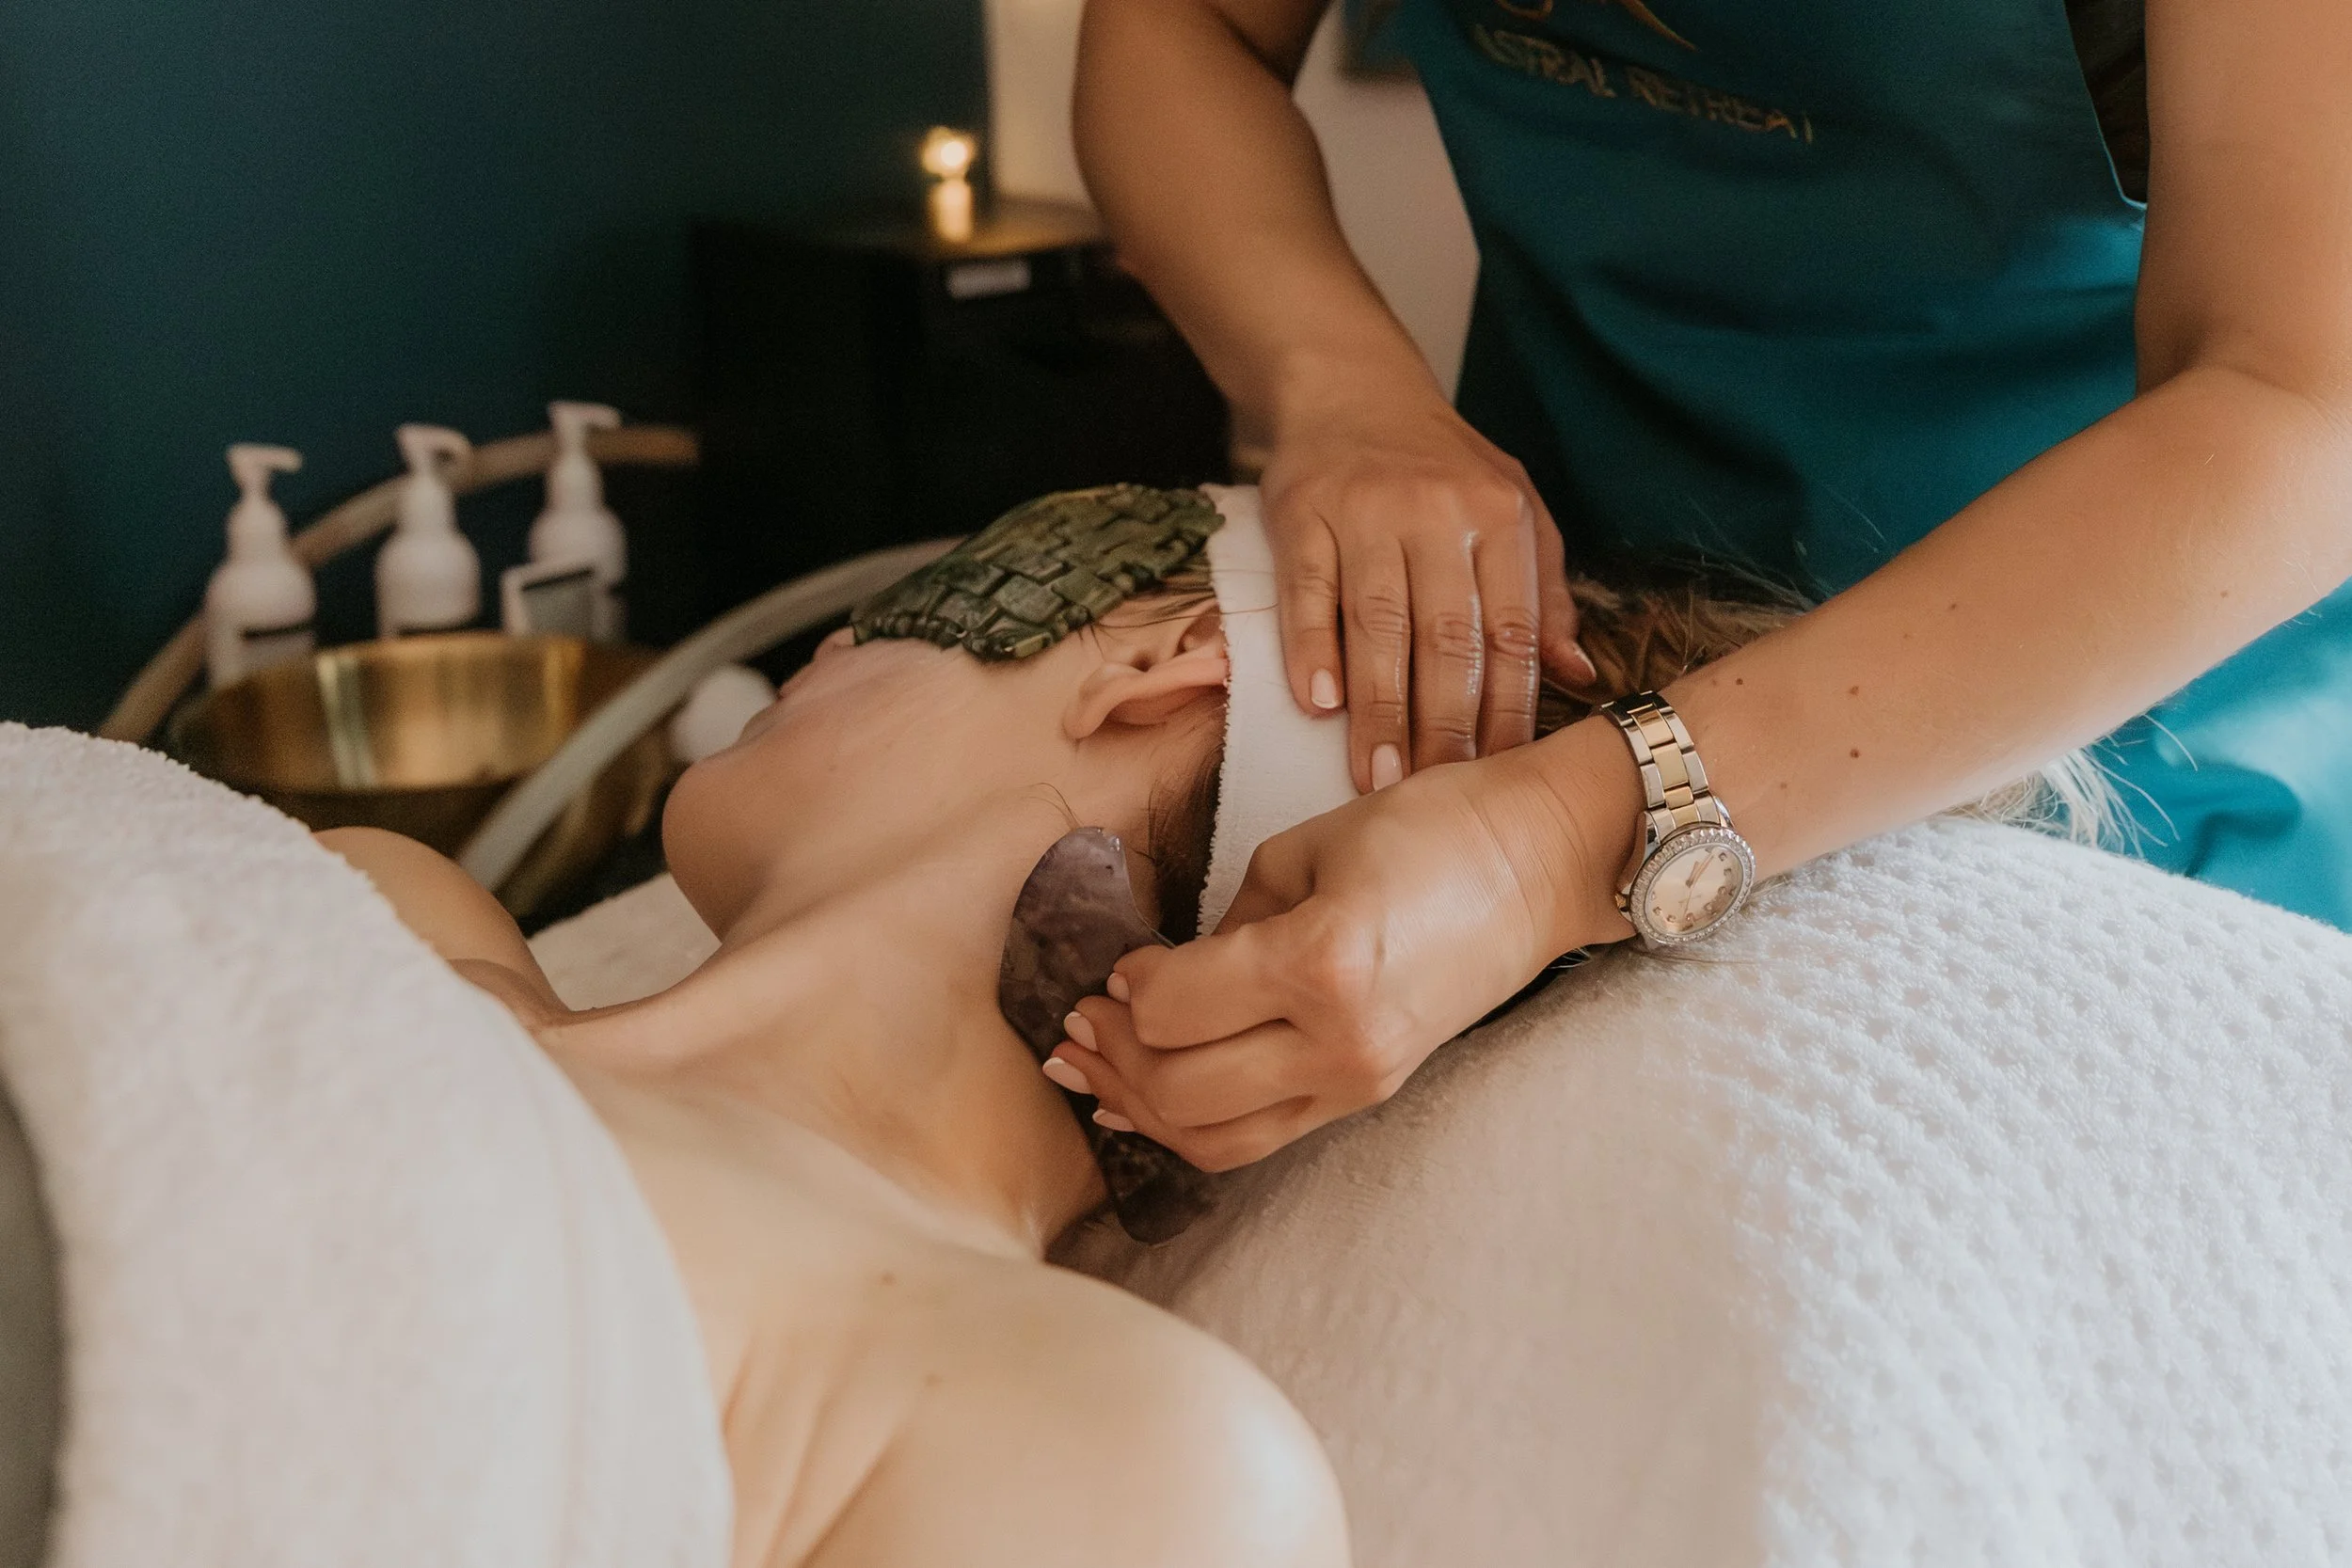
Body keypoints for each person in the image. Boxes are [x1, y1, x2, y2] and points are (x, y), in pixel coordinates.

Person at [1069, 0, 2352, 1170]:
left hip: (2102, 719)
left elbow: (2299, 400)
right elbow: (1180, 31)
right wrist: (1340, 388)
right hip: (1573, 633)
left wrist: (1562, 840)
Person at [319, 562, 1347, 1568]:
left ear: (1162, 662)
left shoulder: (1125, 1446)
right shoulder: (373, 904)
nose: (839, 635)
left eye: (916, 604)